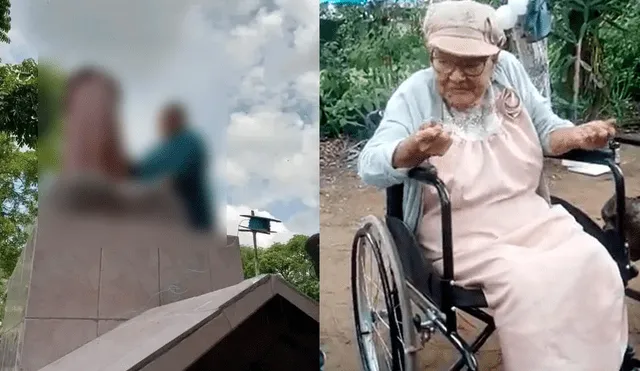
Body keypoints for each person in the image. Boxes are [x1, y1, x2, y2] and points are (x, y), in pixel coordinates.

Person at [358, 1, 627, 370]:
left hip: (529, 216)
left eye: (472, 64)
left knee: (596, 262)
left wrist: (576, 136)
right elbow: (370, 165)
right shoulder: (415, 94)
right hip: (460, 234)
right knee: (529, 282)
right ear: (431, 52)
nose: (456, 75)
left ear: (495, 58)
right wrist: (410, 150)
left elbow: (547, 129)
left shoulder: (510, 76)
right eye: (444, 61)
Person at [131, 103, 213, 231]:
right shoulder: (157, 151)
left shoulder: (190, 140)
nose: (165, 123)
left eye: (170, 118)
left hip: (189, 221)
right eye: (164, 119)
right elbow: (137, 171)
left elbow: (177, 176)